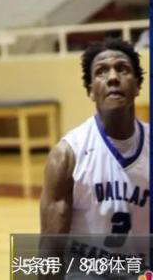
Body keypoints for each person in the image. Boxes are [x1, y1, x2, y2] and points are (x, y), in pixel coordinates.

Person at [40, 39, 149, 267]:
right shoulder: (67, 155)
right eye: (101, 72)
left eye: (122, 69)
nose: (113, 78)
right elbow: (51, 248)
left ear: (138, 85)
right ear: (90, 90)